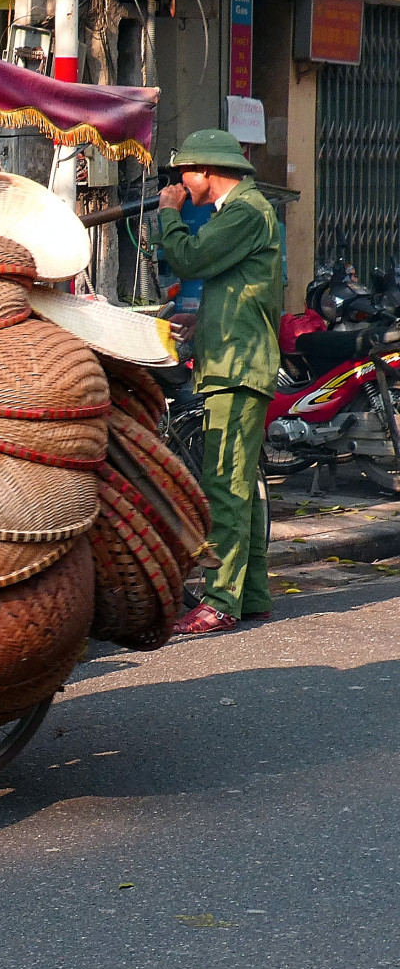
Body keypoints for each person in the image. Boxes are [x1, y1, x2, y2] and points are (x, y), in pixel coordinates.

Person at [156, 128, 284, 635]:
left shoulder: (245, 211)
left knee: (226, 484)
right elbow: (238, 290)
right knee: (241, 486)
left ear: (206, 172)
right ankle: (250, 595)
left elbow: (189, 258)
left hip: (239, 366)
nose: (180, 184)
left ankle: (221, 601)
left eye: (183, 174)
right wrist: (200, 320)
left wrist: (169, 213)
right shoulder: (241, 213)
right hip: (234, 358)